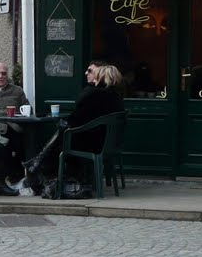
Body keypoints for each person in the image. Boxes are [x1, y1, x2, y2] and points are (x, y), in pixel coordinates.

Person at [23, 61, 125, 198]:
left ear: (102, 77)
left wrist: (89, 88)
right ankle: (39, 163)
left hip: (92, 144)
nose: (90, 76)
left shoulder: (96, 95)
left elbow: (77, 117)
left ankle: (40, 167)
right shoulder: (116, 96)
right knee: (64, 132)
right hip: (105, 142)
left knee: (64, 133)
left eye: (95, 74)